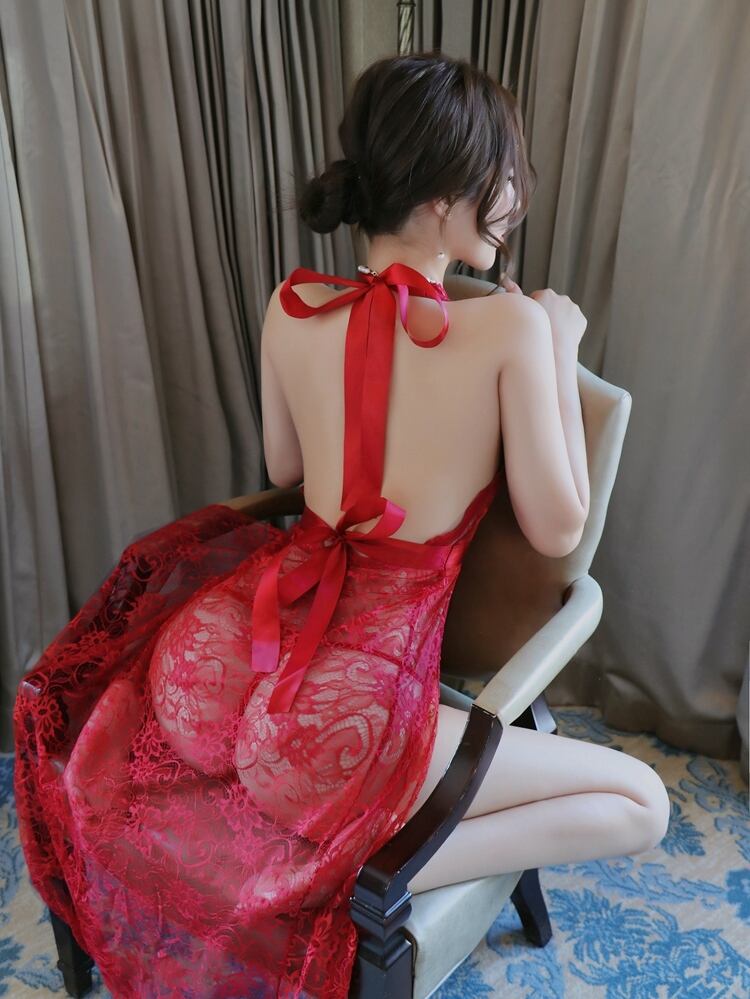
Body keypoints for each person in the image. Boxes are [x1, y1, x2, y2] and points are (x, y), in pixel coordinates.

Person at [13, 51, 670, 999]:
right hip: (339, 711)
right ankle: (353, 880)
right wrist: (560, 343)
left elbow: (286, 470)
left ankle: (284, 838)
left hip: (216, 658)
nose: (515, 195)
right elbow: (559, 526)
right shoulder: (513, 331)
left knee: (236, 752)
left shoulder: (293, 305)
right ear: (443, 197)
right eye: (502, 174)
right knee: (642, 801)